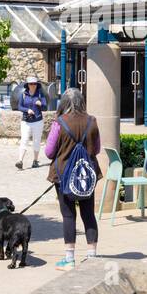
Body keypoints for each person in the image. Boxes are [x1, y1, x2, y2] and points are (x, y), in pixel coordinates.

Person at [44, 88, 101, 271]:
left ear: (63, 103)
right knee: (88, 214)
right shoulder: (92, 121)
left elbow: (49, 152)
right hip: (86, 174)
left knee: (69, 215)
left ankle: (69, 259)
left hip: (63, 175)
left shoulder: (59, 123)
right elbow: (97, 149)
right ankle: (92, 256)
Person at [15, 75, 47, 170]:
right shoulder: (24, 94)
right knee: (24, 139)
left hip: (38, 121)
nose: (33, 85)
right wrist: (27, 110)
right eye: (31, 84)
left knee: (36, 141)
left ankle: (35, 160)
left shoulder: (40, 95)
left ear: (37, 85)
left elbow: (45, 107)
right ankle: (20, 160)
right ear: (27, 85)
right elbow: (19, 107)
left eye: (34, 84)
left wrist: (40, 104)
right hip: (26, 121)